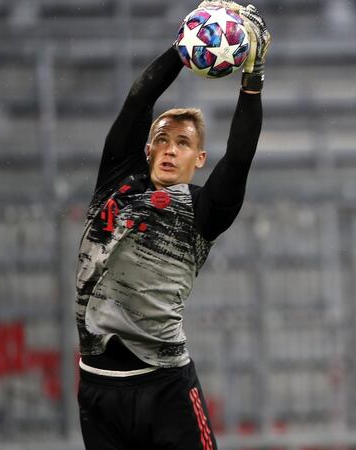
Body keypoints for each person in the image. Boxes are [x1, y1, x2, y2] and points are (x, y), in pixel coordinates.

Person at [74, 2, 270, 448]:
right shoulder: (116, 182)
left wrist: (252, 79)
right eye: (161, 138)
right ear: (146, 148)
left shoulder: (203, 211)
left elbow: (239, 158)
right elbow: (139, 99)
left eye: (183, 143)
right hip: (98, 387)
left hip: (166, 385)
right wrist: (185, 45)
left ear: (199, 159)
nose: (169, 148)